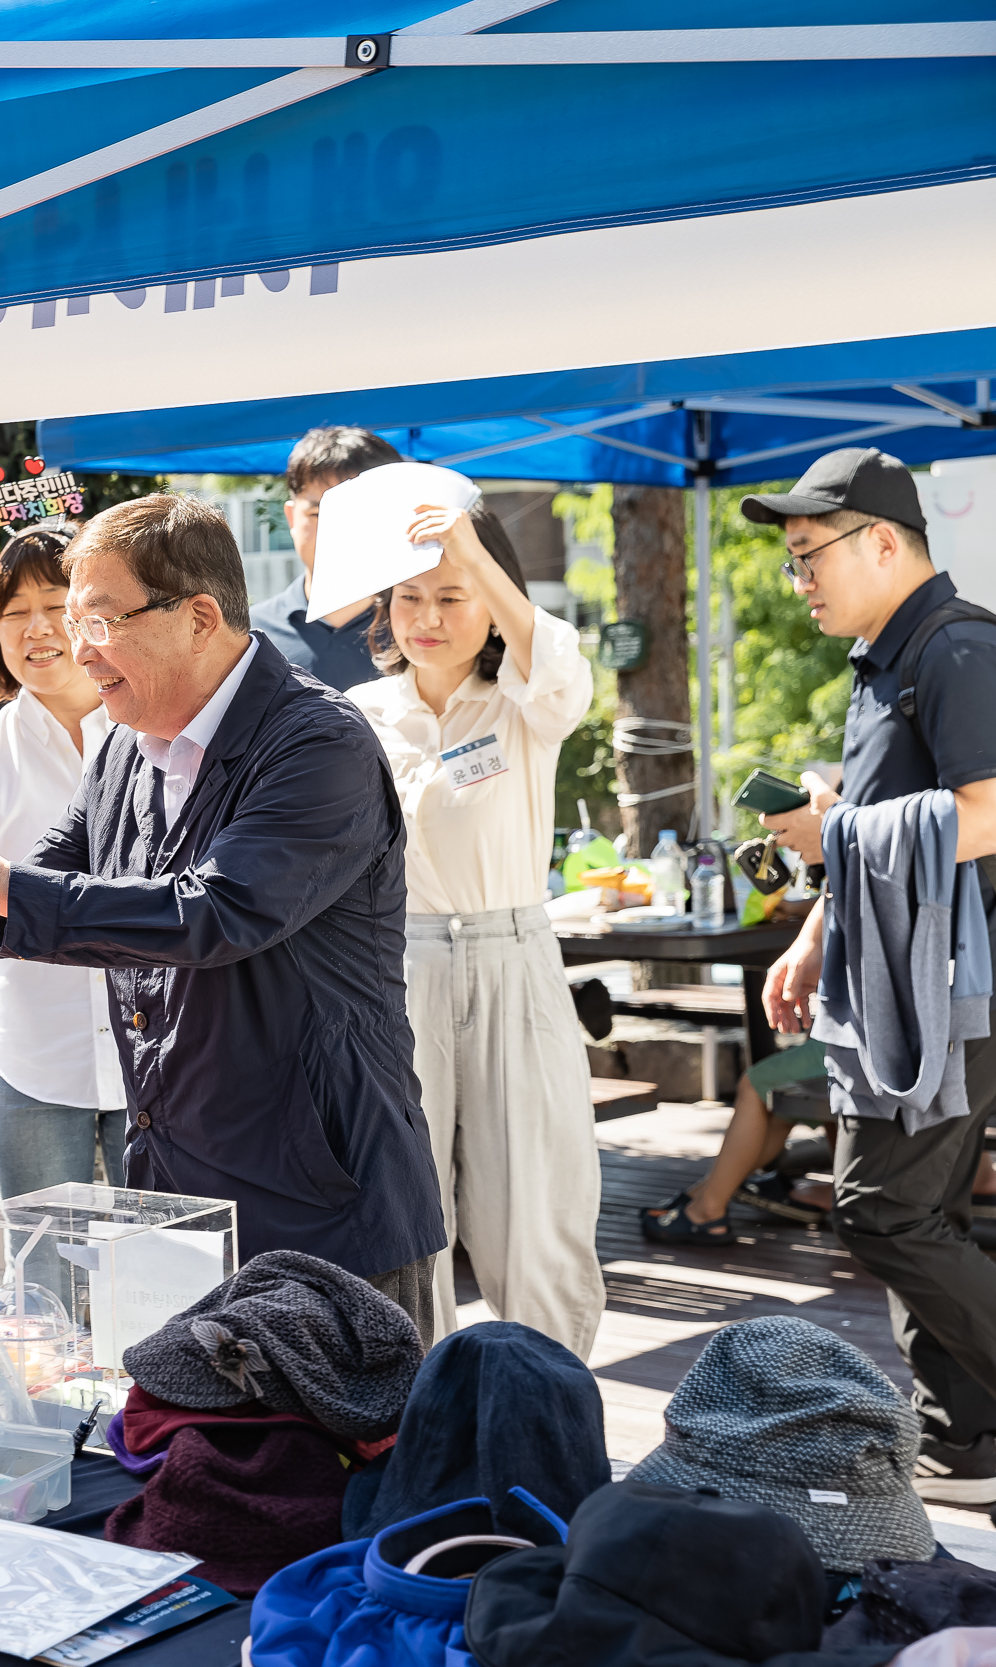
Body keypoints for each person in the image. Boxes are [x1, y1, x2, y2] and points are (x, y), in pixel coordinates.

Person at [0, 493, 449, 1339]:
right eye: (72, 621)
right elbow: (48, 898)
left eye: (99, 620)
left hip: (321, 1195)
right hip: (183, 1196)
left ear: (199, 617)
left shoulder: (317, 742)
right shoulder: (123, 744)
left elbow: (215, 913)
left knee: (352, 1458)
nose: (77, 650)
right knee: (203, 1457)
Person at [748, 447, 996, 1502]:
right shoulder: (883, 657)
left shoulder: (954, 649)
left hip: (953, 992)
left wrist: (834, 825)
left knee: (880, 1210)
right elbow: (895, 829)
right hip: (907, 985)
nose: (797, 579)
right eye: (791, 560)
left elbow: (987, 812)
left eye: (810, 556)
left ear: (884, 541)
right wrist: (812, 934)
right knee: (913, 1214)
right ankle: (964, 1441)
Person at [343, 496, 603, 1356]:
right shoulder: (358, 715)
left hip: (512, 959)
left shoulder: (527, 704)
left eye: (452, 595)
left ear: (493, 601)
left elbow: (559, 666)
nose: (427, 617)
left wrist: (471, 548)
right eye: (408, 597)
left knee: (537, 1208)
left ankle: (551, 1419)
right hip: (396, 970)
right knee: (407, 1215)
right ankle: (419, 1426)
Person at [0, 520, 127, 1226]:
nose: (37, 628)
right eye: (14, 613)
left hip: (158, 1058)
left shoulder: (158, 738)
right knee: (46, 1295)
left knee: (178, 1282)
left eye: (54, 603)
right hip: (28, 1064)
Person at [253, 426, 405, 689]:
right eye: (318, 514)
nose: (337, 532)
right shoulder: (248, 637)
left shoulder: (418, 629)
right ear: (291, 517)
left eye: (356, 514)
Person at [641, 1039, 834, 1240]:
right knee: (778, 1108)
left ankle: (708, 1210)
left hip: (850, 1047)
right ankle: (705, 1192)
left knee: (756, 1085)